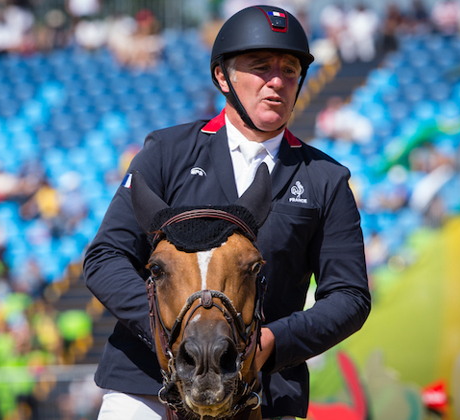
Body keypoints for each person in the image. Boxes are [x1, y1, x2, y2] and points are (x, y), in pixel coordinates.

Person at [83, 5, 371, 420]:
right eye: (260, 67)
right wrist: (168, 335)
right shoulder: (165, 154)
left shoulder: (327, 179)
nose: (277, 81)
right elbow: (105, 257)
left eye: (289, 70)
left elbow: (349, 296)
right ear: (223, 76)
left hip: (265, 393)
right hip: (148, 388)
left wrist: (273, 342)